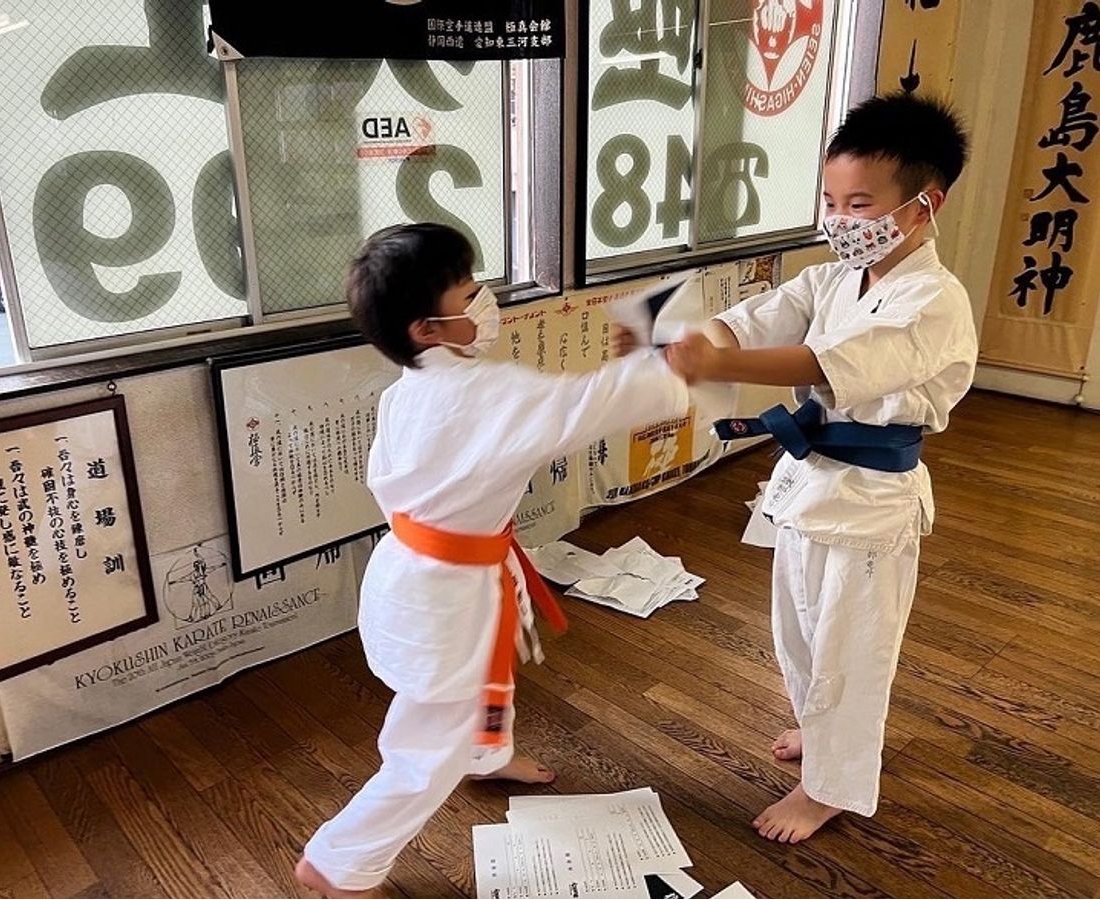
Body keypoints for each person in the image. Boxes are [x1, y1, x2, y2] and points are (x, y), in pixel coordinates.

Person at [297, 223, 691, 897]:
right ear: (426, 329)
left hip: (418, 575)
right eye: (468, 291)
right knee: (428, 746)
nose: (485, 299)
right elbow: (589, 404)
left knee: (483, 680)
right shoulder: (487, 394)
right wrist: (660, 359)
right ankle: (339, 860)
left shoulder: (409, 388)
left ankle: (486, 755)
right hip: (444, 593)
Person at [658, 92, 976, 842]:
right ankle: (819, 730)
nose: (840, 220)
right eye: (831, 202)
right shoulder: (836, 278)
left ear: (924, 206)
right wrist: (702, 338)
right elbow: (765, 314)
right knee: (799, 627)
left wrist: (719, 362)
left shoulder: (933, 300)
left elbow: (826, 362)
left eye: (859, 205)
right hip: (810, 483)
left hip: (871, 500)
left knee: (850, 649)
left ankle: (829, 787)